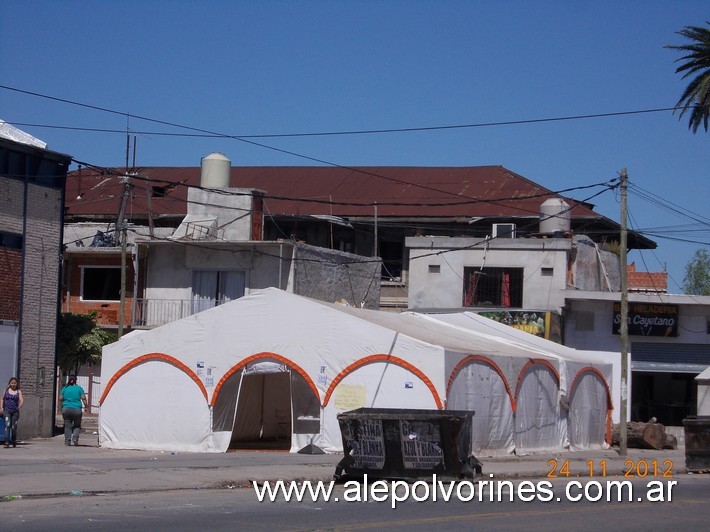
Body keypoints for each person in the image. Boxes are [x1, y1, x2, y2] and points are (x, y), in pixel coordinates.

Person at [59, 375, 88, 446]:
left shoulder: (65, 388)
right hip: (77, 409)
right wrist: (86, 406)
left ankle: (67, 441)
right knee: (77, 425)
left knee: (67, 425)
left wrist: (64, 403)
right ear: (76, 380)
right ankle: (75, 439)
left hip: (66, 409)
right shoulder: (79, 388)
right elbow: (83, 398)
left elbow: (60, 398)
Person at [1, 377, 23, 448]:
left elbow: (21, 399)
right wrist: (1, 407)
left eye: (14, 383)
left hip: (15, 412)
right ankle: (7, 441)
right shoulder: (6, 390)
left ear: (16, 384)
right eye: (12, 383)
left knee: (13, 426)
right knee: (7, 425)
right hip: (7, 410)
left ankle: (13, 440)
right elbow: (2, 399)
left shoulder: (18, 391)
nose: (13, 384)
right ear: (10, 383)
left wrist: (20, 404)